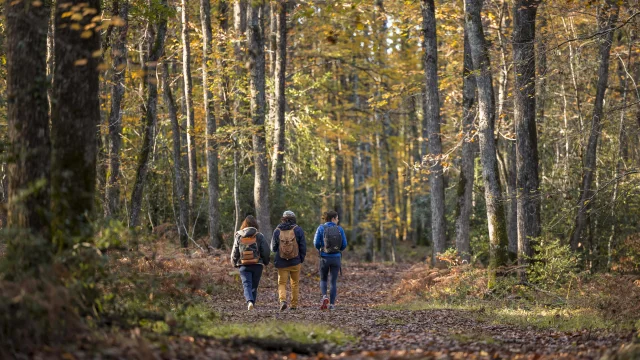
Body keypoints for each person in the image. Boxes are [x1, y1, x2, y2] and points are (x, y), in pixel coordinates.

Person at [231, 215, 270, 311]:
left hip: (243, 264)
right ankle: (252, 303)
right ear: (255, 224)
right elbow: (265, 250)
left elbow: (235, 250)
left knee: (246, 285)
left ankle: (249, 301)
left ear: (244, 224)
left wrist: (234, 262)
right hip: (257, 265)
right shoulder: (259, 235)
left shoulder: (239, 235)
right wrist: (265, 261)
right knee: (254, 286)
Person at [271, 210, 306, 311]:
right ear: (294, 218)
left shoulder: (277, 230)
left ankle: (283, 301)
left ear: (283, 218)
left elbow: (273, 248)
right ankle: (294, 305)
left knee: (282, 282)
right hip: (295, 261)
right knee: (294, 283)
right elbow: (303, 246)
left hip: (282, 262)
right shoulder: (298, 230)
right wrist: (301, 259)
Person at [313, 210, 347, 311]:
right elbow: (344, 244)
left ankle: (324, 296)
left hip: (324, 257)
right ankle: (332, 304)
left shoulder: (321, 228)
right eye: (337, 218)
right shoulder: (339, 229)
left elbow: (316, 243)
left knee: (323, 279)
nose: (338, 220)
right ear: (333, 219)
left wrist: (321, 248)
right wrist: (337, 250)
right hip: (336, 258)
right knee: (333, 281)